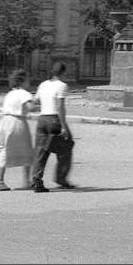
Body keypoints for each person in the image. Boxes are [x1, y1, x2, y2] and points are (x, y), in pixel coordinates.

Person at [31, 61, 74, 192]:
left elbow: (36, 101)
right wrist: (63, 126)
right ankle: (61, 178)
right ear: (63, 73)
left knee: (41, 151)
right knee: (66, 148)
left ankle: (37, 180)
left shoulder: (43, 84)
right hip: (54, 119)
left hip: (42, 119)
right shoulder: (62, 86)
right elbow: (60, 106)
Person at [0, 69, 35, 191]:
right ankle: (27, 180)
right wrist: (37, 102)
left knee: (3, 150)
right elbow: (30, 107)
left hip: (4, 122)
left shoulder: (10, 94)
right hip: (18, 122)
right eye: (27, 80)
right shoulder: (25, 94)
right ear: (22, 81)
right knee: (26, 149)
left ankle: (0, 181)